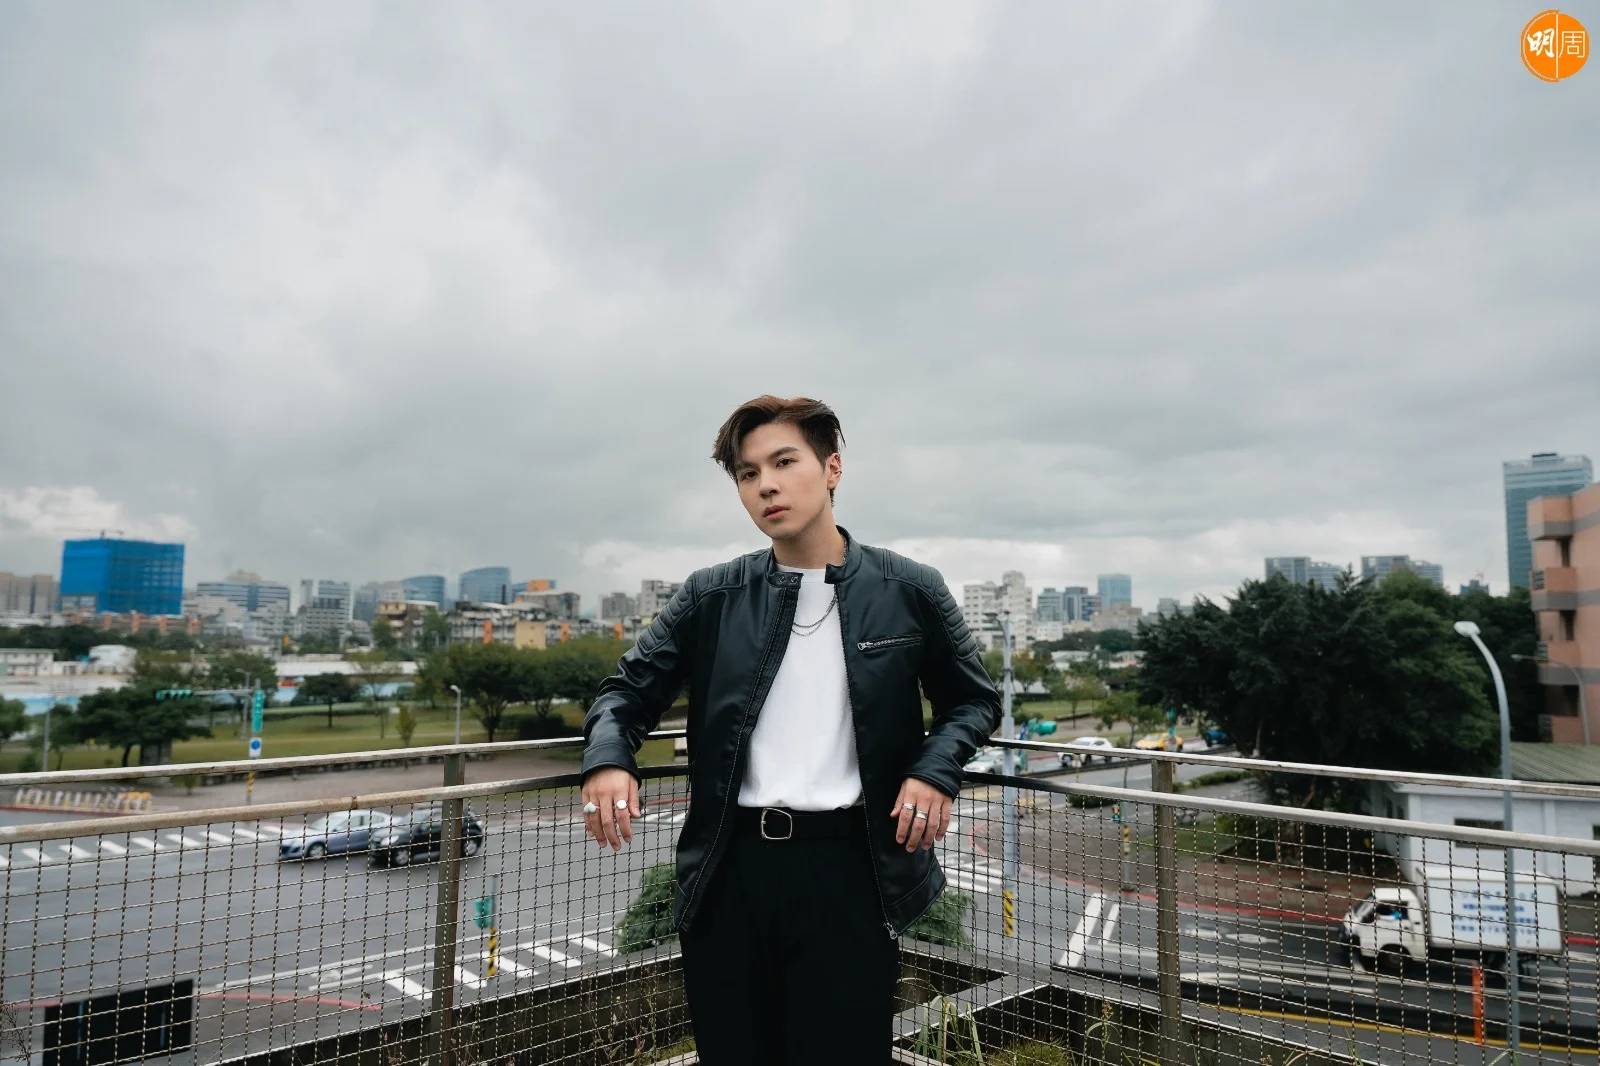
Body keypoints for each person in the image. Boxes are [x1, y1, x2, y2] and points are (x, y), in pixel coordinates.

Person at [580, 394, 1001, 1065]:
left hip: (852, 869)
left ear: (832, 467)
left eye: (784, 462)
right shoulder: (711, 596)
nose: (766, 486)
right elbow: (625, 692)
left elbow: (974, 700)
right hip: (729, 870)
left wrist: (934, 770)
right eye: (748, 474)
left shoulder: (909, 589)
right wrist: (609, 759)